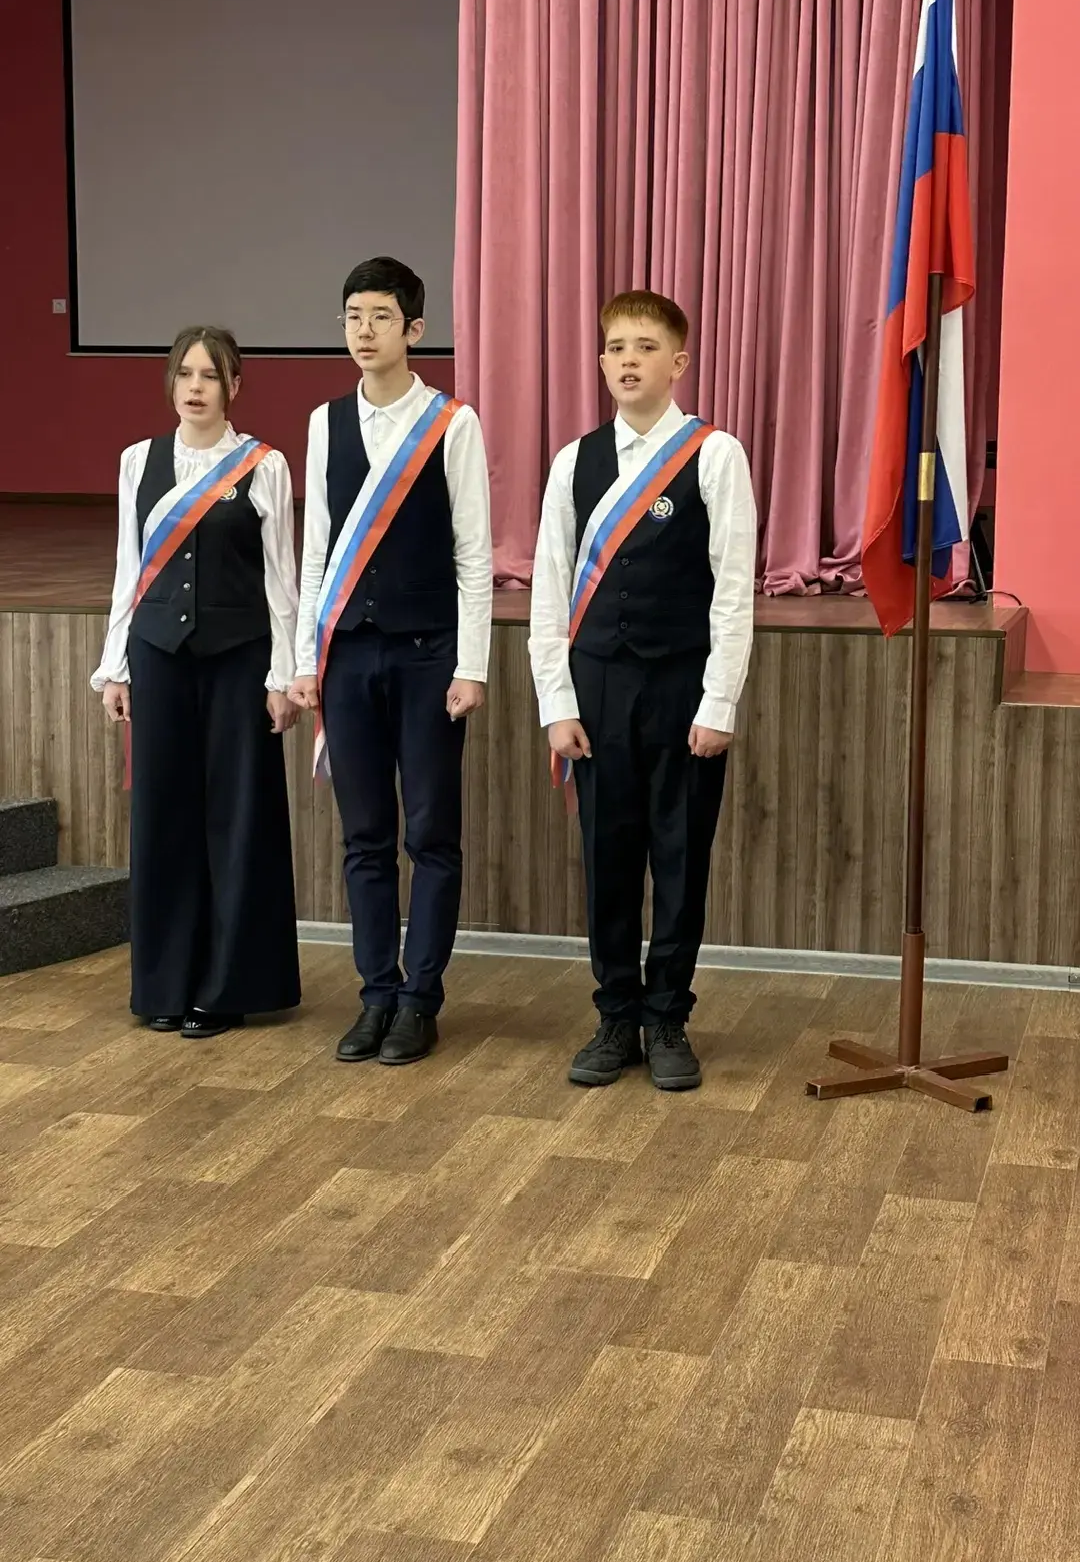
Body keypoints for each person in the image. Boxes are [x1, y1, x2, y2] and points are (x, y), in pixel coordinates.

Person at [529, 290, 756, 1091]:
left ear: (678, 362)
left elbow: (734, 593)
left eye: (646, 347)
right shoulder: (574, 461)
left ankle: (667, 1017)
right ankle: (616, 1015)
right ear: (601, 362)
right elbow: (550, 591)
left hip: (682, 687)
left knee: (680, 855)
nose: (629, 360)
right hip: (596, 689)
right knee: (609, 855)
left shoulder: (715, 455)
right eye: (616, 347)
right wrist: (557, 703)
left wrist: (719, 702)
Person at [289, 257, 492, 1066]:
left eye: (379, 317)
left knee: (431, 834)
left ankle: (420, 999)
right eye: (352, 316)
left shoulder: (452, 424)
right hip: (346, 657)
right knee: (364, 836)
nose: (363, 331)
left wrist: (472, 665)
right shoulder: (324, 422)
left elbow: (474, 555)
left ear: (414, 330)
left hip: (428, 655)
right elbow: (315, 554)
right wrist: (306, 660)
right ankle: (376, 993)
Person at [93, 326, 302, 1037]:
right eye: (185, 373)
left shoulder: (263, 466)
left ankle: (226, 989)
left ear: (234, 386)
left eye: (210, 375)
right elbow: (128, 570)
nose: (195, 387)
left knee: (237, 819)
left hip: (240, 659)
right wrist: (115, 666)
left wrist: (282, 676)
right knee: (164, 816)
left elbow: (281, 581)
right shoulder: (138, 462)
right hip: (157, 655)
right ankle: (165, 985)